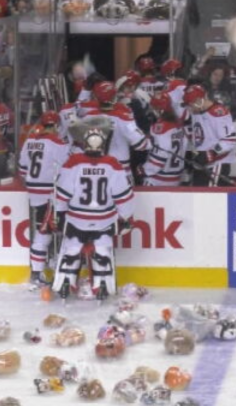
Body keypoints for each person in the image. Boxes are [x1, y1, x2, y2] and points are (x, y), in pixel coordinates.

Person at [52, 120, 135, 300]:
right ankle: (102, 285)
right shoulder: (113, 164)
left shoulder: (73, 162)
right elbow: (123, 195)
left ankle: (66, 282)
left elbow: (62, 193)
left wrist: (59, 213)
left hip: (76, 219)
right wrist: (127, 217)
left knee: (72, 249)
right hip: (104, 220)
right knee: (103, 250)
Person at [17, 111, 69, 284]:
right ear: (55, 125)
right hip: (51, 193)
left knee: (42, 227)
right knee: (49, 230)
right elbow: (68, 170)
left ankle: (39, 268)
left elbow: (23, 169)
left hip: (34, 192)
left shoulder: (30, 141)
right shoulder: (59, 143)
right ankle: (41, 270)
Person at [84, 82, 149, 171]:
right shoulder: (123, 117)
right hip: (119, 167)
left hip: (95, 168)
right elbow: (141, 144)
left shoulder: (87, 116)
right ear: (114, 97)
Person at [183, 84, 236, 186]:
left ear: (199, 100)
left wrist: (210, 154)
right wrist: (191, 153)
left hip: (217, 165)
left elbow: (229, 140)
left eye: (190, 104)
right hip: (201, 165)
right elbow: (197, 135)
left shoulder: (218, 113)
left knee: (209, 198)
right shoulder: (196, 112)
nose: (189, 108)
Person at [141, 93, 187, 186]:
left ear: (159, 109)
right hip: (175, 178)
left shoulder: (160, 128)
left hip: (157, 179)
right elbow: (185, 147)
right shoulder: (179, 126)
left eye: (154, 107)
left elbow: (162, 152)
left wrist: (145, 169)